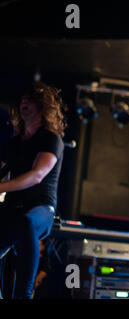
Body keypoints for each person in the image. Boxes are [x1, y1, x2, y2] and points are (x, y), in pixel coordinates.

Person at [0, 81, 66, 299]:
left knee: (27, 222)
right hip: (13, 208)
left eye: (30, 100)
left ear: (43, 107)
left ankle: (24, 294)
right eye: (22, 100)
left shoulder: (51, 139)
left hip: (41, 208)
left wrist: (1, 187)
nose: (24, 102)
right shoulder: (13, 144)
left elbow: (37, 176)